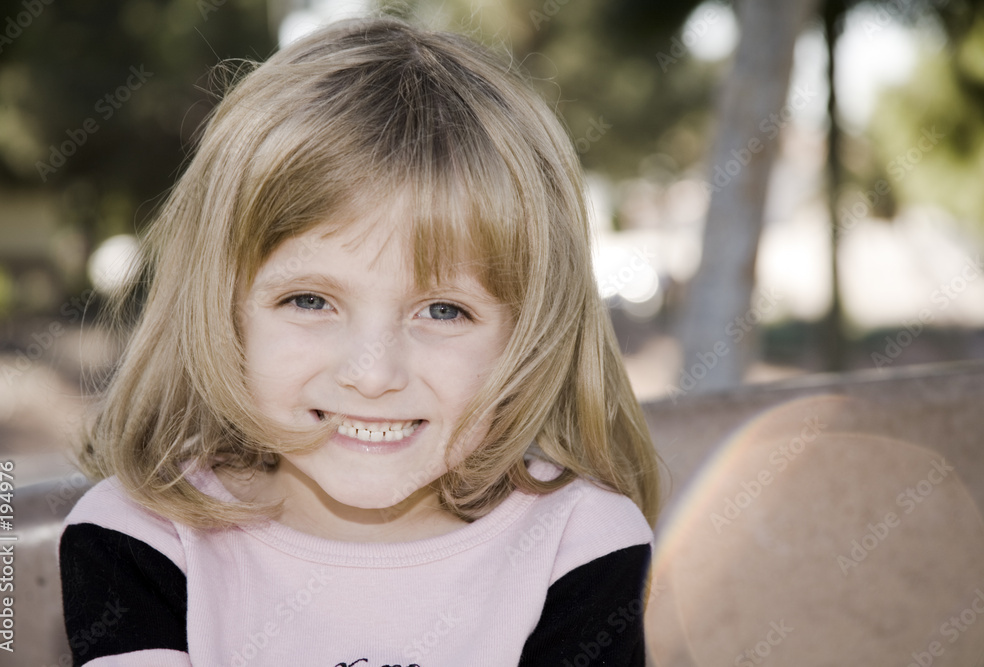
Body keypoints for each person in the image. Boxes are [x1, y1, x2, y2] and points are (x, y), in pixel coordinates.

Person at [59, 16, 661, 666]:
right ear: (221, 311)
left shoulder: (577, 543)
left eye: (443, 310)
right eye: (310, 301)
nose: (372, 375)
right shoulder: (141, 539)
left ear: (533, 335)